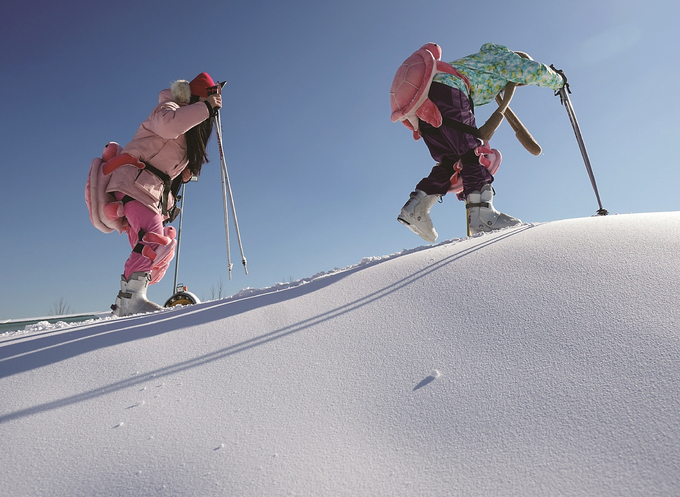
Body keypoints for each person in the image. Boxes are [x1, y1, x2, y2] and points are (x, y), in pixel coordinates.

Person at [391, 43, 565, 242]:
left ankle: (416, 208)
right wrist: (558, 79)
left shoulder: (478, 63)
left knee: (450, 160)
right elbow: (529, 70)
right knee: (471, 152)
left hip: (423, 102)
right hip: (449, 90)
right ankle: (482, 215)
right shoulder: (503, 58)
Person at [107, 72, 222, 316]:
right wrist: (206, 108)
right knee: (153, 238)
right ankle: (130, 301)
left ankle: (130, 298)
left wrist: (184, 172)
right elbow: (169, 126)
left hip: (148, 190)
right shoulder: (168, 108)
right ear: (197, 97)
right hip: (133, 182)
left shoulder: (188, 129)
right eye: (209, 98)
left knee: (161, 242)